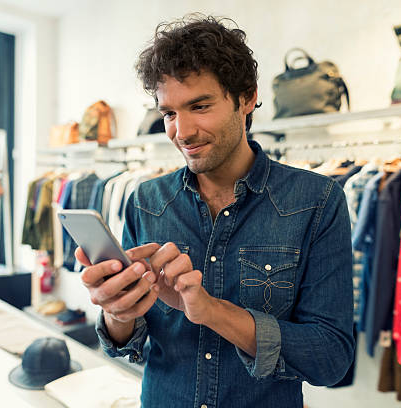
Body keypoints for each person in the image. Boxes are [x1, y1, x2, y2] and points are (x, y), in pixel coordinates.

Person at [76, 14, 354, 408]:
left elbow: (330, 359)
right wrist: (117, 311)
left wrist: (210, 311)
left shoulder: (317, 200)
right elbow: (127, 345)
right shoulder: (146, 200)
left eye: (200, 106)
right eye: (169, 113)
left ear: (246, 97)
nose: (181, 132)